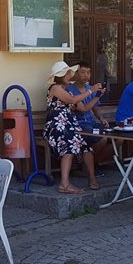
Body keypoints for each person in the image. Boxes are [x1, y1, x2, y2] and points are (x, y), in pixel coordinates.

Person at [43, 61, 99, 194]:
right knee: (69, 146)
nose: (70, 75)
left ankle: (92, 178)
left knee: (85, 145)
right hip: (56, 126)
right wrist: (91, 90)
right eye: (67, 73)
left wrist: (97, 96)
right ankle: (65, 184)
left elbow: (84, 108)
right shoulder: (55, 88)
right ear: (61, 75)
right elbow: (72, 101)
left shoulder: (67, 90)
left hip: (69, 125)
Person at [66, 61, 110, 189]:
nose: (86, 75)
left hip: (91, 123)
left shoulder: (90, 88)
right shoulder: (70, 89)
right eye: (83, 72)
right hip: (78, 125)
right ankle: (88, 168)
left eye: (88, 72)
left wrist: (101, 119)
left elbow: (95, 108)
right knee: (101, 138)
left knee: (112, 137)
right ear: (75, 74)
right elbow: (83, 108)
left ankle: (88, 165)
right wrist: (95, 94)